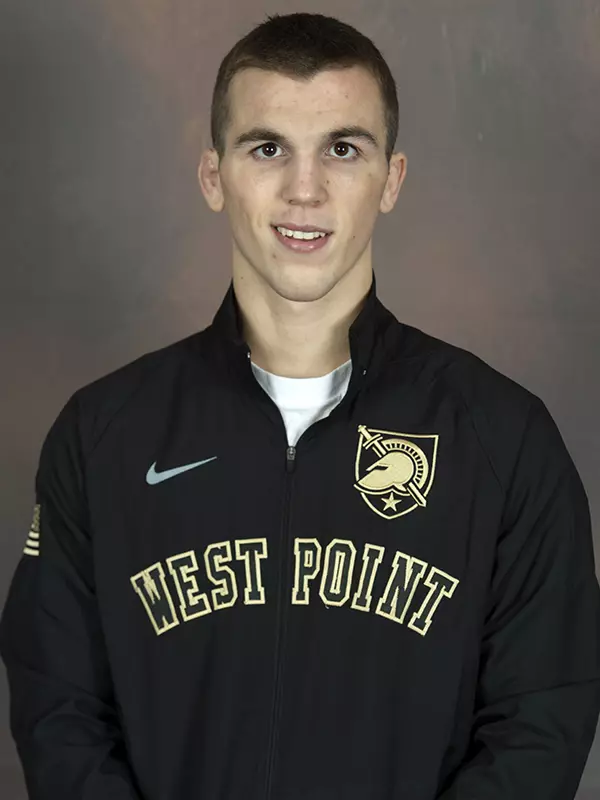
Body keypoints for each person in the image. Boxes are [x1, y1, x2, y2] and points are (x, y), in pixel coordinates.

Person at [1, 10, 599, 800]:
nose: (305, 189)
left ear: (392, 180)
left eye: (343, 149)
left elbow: (540, 719)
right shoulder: (103, 434)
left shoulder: (504, 441)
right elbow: (58, 710)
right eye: (267, 147)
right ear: (213, 176)